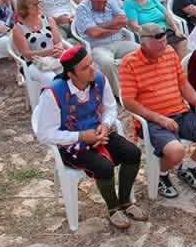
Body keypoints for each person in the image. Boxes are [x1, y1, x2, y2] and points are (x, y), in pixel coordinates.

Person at [35, 45, 146, 229]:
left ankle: (126, 201)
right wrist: (80, 136)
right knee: (104, 167)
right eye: (85, 68)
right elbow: (44, 134)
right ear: (71, 74)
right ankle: (113, 208)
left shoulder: (100, 79)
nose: (92, 69)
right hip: (71, 144)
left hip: (98, 133)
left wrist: (105, 125)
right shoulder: (53, 92)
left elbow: (110, 107)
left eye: (91, 64)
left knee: (132, 153)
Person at [119, 24, 196, 198]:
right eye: (158, 44)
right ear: (143, 44)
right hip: (152, 121)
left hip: (180, 113)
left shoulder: (169, 52)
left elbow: (183, 84)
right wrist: (159, 118)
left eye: (164, 42)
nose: (163, 47)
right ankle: (161, 176)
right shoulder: (129, 63)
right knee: (176, 152)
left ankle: (187, 167)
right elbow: (128, 101)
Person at [74, 0, 139, 96]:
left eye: (104, 2)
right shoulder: (82, 9)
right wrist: (113, 27)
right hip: (98, 46)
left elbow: (123, 19)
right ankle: (120, 94)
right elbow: (94, 33)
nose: (103, 5)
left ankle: (141, 84)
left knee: (141, 50)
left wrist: (100, 26)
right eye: (99, 2)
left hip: (119, 42)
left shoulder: (108, 0)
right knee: (107, 63)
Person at [123, 0, 187, 58]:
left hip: (164, 30)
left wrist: (176, 30)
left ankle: (181, 69)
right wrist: (150, 34)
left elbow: (166, 13)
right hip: (150, 35)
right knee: (166, 49)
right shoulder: (129, 3)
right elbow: (135, 26)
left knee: (182, 42)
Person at [12, 0, 65, 86]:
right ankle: (49, 100)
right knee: (50, 78)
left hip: (53, 58)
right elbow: (26, 54)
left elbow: (58, 41)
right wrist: (47, 52)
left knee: (70, 72)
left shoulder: (48, 20)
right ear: (24, 9)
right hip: (32, 63)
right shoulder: (18, 28)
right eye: (34, 4)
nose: (38, 6)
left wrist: (59, 49)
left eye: (39, 3)